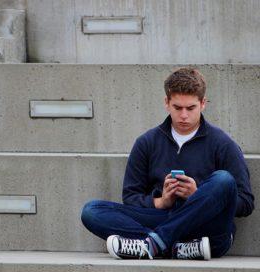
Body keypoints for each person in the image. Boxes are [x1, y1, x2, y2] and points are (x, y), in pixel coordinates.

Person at [81, 67, 254, 260]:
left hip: (208, 228)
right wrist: (162, 201)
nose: (184, 116)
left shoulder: (222, 143)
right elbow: (130, 197)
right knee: (92, 211)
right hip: (166, 219)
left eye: (190, 108)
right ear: (166, 103)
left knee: (223, 180)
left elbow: (245, 203)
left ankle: (154, 244)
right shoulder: (147, 142)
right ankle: (172, 248)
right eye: (177, 108)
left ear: (203, 104)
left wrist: (198, 196)